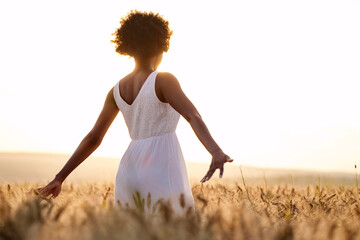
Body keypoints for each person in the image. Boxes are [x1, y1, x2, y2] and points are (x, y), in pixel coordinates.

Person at [36, 10, 233, 215]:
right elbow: (193, 116)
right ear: (161, 44)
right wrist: (215, 150)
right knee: (173, 228)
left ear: (129, 46)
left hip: (129, 169)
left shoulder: (116, 90)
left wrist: (59, 177)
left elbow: (94, 138)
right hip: (161, 162)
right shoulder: (163, 80)